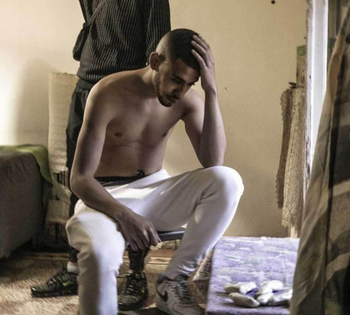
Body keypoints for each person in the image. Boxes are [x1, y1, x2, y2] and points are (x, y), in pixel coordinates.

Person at [0, 0, 171, 309]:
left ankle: (135, 273)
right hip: (86, 91)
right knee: (77, 179)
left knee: (130, 182)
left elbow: (158, 50)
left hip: (125, 95)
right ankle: (73, 268)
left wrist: (147, 99)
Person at [67, 29, 244, 315]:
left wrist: (211, 90)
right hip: (104, 196)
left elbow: (213, 161)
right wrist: (125, 215)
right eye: (176, 80)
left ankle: (172, 282)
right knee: (99, 256)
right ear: (154, 62)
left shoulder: (187, 100)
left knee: (228, 180)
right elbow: (79, 179)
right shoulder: (108, 93)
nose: (180, 92)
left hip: (155, 190)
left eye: (190, 84)